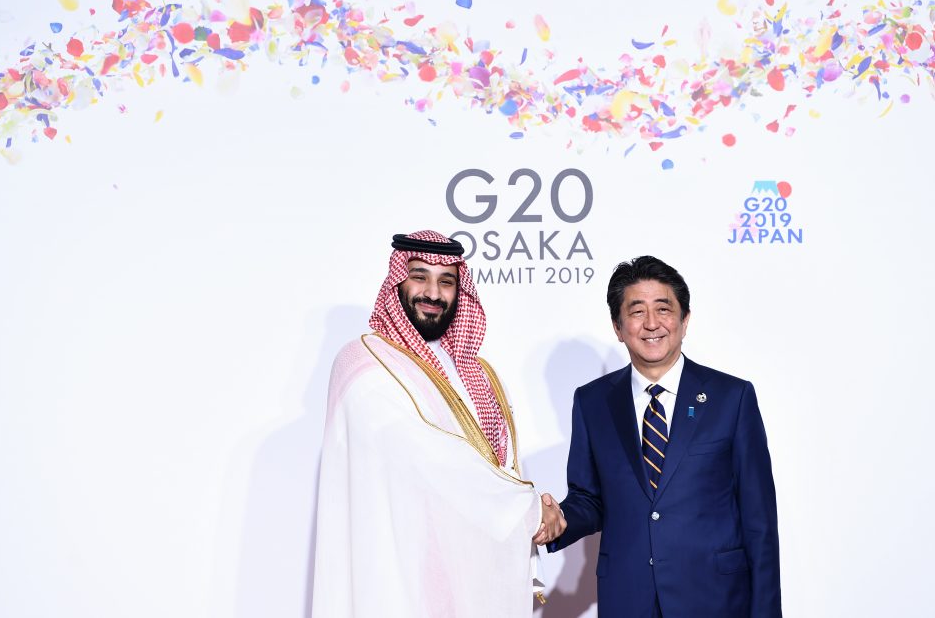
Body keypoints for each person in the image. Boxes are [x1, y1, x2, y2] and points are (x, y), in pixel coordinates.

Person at [312, 230, 566, 618]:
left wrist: (528, 512)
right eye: (420, 276)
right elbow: (426, 458)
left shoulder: (476, 372)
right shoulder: (365, 363)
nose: (433, 292)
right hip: (400, 571)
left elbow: (499, 464)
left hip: (474, 571)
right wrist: (528, 511)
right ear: (398, 280)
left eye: (446, 281)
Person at [547, 256, 780, 617]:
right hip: (628, 598)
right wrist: (560, 518)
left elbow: (759, 522)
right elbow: (589, 499)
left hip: (715, 598)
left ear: (685, 320)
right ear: (618, 326)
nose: (652, 323)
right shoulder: (592, 402)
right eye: (637, 311)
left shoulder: (731, 398)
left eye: (663, 309)